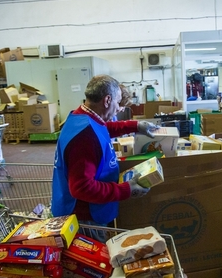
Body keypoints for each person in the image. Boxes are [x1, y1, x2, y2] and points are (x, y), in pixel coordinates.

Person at [51, 75, 158, 232]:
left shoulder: (82, 117)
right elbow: (81, 188)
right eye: (117, 101)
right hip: (86, 218)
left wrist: (135, 126)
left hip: (88, 210)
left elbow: (102, 129)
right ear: (107, 101)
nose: (118, 108)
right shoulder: (84, 136)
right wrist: (126, 189)